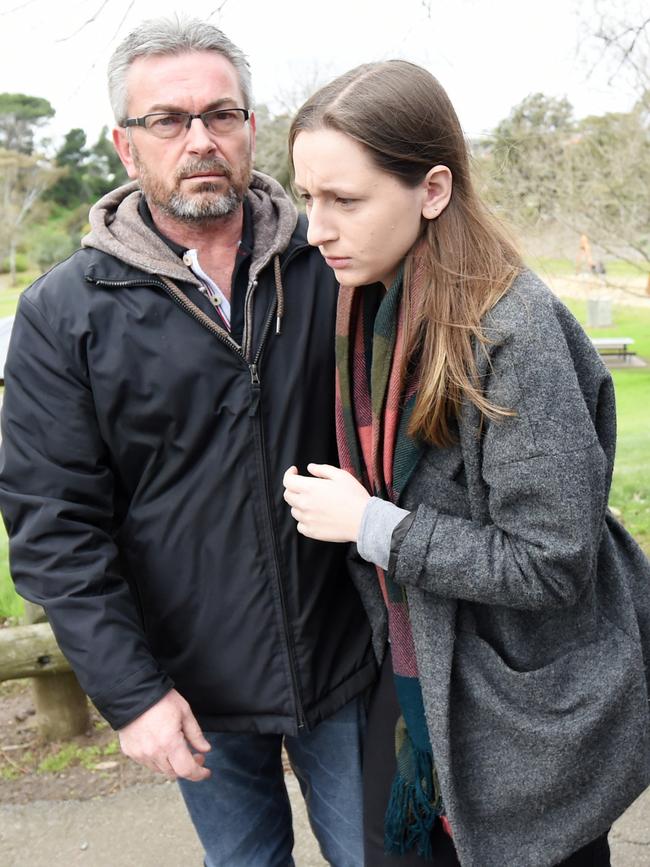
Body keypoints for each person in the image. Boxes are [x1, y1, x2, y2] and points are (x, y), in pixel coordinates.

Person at [0, 18, 377, 867]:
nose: (199, 139)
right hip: (189, 687)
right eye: (168, 120)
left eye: (222, 114)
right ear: (125, 147)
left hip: (350, 662)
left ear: (251, 127)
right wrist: (135, 697)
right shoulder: (66, 315)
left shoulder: (336, 264)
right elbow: (55, 527)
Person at [283, 60, 650, 867]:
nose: (316, 228)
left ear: (434, 189)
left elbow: (554, 560)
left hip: (527, 706)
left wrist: (374, 526)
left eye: (344, 199)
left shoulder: (512, 333)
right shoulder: (364, 304)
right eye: (307, 196)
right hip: (417, 685)